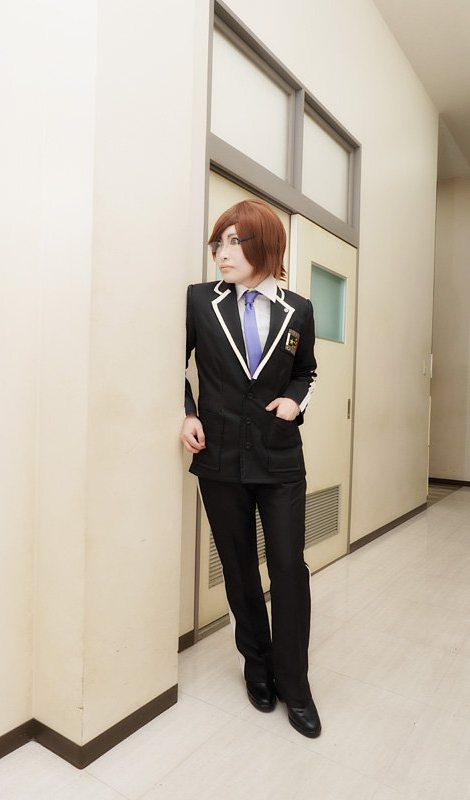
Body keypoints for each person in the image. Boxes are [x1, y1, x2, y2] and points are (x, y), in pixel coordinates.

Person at [180, 198, 321, 738]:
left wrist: (294, 401)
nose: (222, 253)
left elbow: (306, 372)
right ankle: (257, 667)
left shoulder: (298, 310)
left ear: (265, 246)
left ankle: (296, 683)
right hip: (218, 459)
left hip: (280, 457)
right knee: (239, 570)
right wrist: (187, 412)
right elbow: (170, 364)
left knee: (288, 568)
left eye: (235, 242)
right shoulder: (200, 300)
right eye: (219, 243)